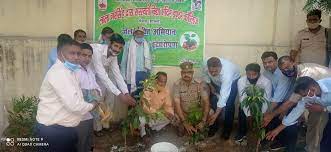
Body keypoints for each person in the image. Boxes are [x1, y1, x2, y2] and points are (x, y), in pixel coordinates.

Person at [35, 38, 98, 152]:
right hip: (54, 131)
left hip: (64, 128)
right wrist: (93, 105)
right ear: (60, 53)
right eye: (72, 53)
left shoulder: (69, 71)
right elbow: (75, 105)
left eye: (78, 53)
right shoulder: (60, 73)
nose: (76, 57)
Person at [266, 76, 331, 152]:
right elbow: (296, 112)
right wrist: (277, 130)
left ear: (313, 89)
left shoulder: (329, 85)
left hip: (326, 108)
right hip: (325, 109)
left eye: (305, 94)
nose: (305, 97)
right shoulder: (307, 95)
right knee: (321, 132)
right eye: (303, 95)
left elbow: (323, 108)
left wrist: (324, 109)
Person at [90, 33, 136, 129]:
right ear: (109, 43)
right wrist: (120, 95)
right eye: (115, 46)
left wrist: (126, 94)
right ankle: (97, 129)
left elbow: (117, 75)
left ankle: (105, 125)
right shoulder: (96, 51)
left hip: (101, 78)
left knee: (107, 102)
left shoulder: (113, 56)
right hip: (90, 78)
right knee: (97, 102)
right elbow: (102, 75)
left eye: (120, 48)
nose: (117, 49)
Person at [261, 51, 297, 151]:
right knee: (272, 120)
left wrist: (267, 113)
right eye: (265, 62)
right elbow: (266, 91)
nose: (267, 65)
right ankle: (279, 141)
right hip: (276, 101)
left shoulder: (283, 73)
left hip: (291, 101)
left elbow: (278, 97)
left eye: (270, 62)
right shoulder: (266, 73)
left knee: (288, 123)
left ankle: (290, 147)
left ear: (276, 61)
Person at [202, 57, 240, 139]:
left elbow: (224, 95)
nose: (213, 73)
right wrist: (210, 85)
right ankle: (213, 126)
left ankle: (227, 130)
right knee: (213, 101)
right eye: (211, 71)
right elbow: (204, 74)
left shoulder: (227, 74)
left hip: (233, 81)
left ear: (220, 67)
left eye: (216, 71)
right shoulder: (204, 64)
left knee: (229, 104)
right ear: (207, 67)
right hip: (215, 82)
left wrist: (216, 114)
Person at [75, 43, 103, 152]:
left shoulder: (89, 69)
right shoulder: (75, 71)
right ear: (78, 54)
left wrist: (97, 94)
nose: (87, 58)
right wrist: (94, 101)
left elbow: (96, 86)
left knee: (89, 139)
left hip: (91, 113)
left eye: (89, 56)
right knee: (81, 141)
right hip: (80, 115)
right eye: (84, 55)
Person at [235, 63, 272, 144]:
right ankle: (242, 133)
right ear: (246, 73)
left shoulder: (266, 82)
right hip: (247, 103)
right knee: (241, 109)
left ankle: (263, 136)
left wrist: (260, 115)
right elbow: (243, 97)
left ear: (259, 73)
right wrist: (249, 115)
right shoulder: (241, 81)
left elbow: (266, 99)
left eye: (254, 74)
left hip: (260, 103)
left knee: (263, 119)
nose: (251, 77)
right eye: (248, 74)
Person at [173, 62, 210, 136]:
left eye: (189, 72)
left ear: (192, 73)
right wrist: (184, 122)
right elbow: (177, 104)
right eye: (184, 72)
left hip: (197, 113)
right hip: (184, 113)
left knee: (211, 112)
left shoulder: (200, 84)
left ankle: (199, 125)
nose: (186, 75)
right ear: (181, 73)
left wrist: (203, 120)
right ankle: (185, 126)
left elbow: (206, 102)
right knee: (176, 118)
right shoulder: (177, 85)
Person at [139, 72, 175, 140]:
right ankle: (144, 134)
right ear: (155, 80)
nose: (163, 84)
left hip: (157, 114)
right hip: (145, 114)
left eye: (165, 82)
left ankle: (152, 130)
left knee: (169, 118)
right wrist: (159, 112)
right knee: (141, 121)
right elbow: (145, 107)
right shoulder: (149, 88)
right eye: (161, 81)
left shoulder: (166, 90)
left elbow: (168, 105)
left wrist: (170, 113)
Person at [121, 27, 152, 95]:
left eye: (141, 33)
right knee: (132, 96)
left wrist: (150, 75)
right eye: (137, 33)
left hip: (144, 74)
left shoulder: (146, 44)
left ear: (143, 35)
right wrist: (123, 77)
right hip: (132, 74)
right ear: (134, 34)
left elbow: (149, 60)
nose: (139, 35)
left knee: (144, 96)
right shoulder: (128, 44)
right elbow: (124, 61)